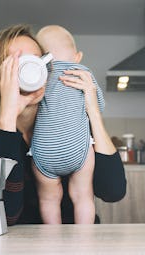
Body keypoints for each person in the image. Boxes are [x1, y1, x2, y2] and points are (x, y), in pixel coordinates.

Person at [0, 24, 126, 225]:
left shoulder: (69, 118)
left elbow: (113, 191)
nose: (32, 69)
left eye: (38, 60)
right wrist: (8, 119)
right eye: (18, 63)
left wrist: (92, 111)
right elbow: (4, 215)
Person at [30, 25, 104, 224]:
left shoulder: (40, 76)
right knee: (83, 196)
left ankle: (52, 238)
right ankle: (84, 237)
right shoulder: (83, 74)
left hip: (45, 150)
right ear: (78, 56)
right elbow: (99, 107)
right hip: (77, 148)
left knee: (48, 199)